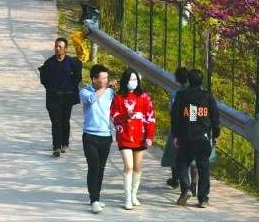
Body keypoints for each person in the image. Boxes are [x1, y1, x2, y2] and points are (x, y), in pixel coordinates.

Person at [172, 68, 219, 208]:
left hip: (187, 137)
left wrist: (176, 135)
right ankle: (203, 198)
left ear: (188, 80)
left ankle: (186, 189)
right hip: (203, 137)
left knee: (181, 162)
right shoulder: (207, 96)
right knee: (203, 167)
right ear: (202, 81)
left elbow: (176, 118)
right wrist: (215, 134)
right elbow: (215, 118)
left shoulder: (182, 96)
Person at [111, 68, 156, 210]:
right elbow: (113, 116)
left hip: (140, 137)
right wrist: (125, 116)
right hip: (124, 136)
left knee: (137, 167)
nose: (133, 82)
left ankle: (134, 194)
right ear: (125, 81)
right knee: (128, 166)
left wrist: (149, 136)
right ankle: (127, 196)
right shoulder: (118, 97)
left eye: (135, 79)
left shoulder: (144, 96)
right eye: (130, 79)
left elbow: (150, 117)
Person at [38, 37, 83, 157]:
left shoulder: (72, 63)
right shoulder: (49, 63)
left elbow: (77, 79)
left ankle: (65, 144)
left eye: (60, 47)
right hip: (53, 96)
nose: (57, 49)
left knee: (65, 120)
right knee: (56, 121)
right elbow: (44, 80)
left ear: (65, 48)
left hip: (67, 96)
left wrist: (70, 89)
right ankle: (57, 146)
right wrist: (52, 88)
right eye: (56, 46)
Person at [81, 64, 115, 214]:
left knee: (101, 169)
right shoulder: (85, 91)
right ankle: (94, 199)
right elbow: (92, 99)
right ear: (94, 79)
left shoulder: (110, 93)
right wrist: (106, 87)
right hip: (90, 136)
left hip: (106, 136)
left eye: (107, 78)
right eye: (103, 79)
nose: (106, 81)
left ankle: (97, 196)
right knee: (93, 168)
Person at [162, 67, 191, 190]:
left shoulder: (175, 93)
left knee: (173, 153)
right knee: (192, 157)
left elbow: (172, 111)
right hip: (192, 127)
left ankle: (175, 180)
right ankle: (193, 184)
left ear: (176, 79)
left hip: (178, 127)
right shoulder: (194, 93)